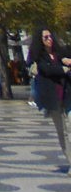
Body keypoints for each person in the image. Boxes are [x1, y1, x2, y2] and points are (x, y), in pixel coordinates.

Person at [26, 28, 70, 170]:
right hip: (53, 98)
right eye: (46, 37)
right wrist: (63, 69)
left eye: (51, 36)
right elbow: (47, 70)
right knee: (62, 132)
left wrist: (64, 63)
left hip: (67, 95)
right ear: (40, 40)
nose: (49, 39)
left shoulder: (60, 53)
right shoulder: (40, 58)